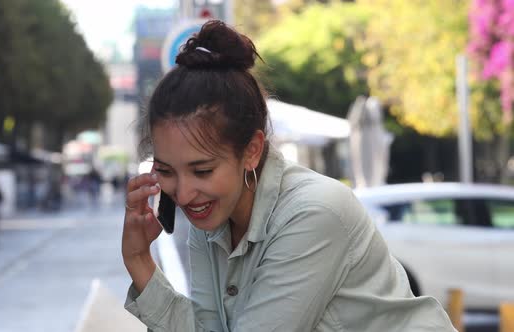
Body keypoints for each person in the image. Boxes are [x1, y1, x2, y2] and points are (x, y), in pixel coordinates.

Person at [122, 20, 456, 331]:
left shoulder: (314, 211)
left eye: (202, 170)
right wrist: (139, 261)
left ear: (252, 151)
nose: (182, 194)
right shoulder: (211, 220)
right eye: (165, 171)